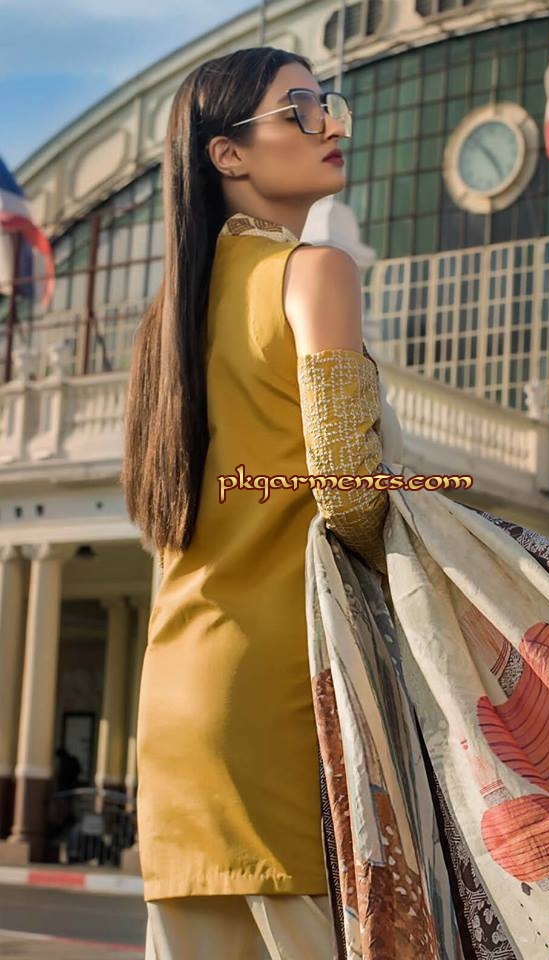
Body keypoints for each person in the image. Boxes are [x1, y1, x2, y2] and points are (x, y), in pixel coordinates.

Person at [121, 46, 393, 959]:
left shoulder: (168, 320)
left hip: (177, 698)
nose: (331, 125)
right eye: (301, 109)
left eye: (330, 105)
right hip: (283, 692)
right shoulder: (314, 272)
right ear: (227, 153)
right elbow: (352, 495)